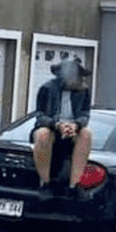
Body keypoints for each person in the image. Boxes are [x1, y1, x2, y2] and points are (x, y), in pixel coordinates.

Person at [30, 57, 93, 191]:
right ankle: (45, 183)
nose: (82, 81)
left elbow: (85, 114)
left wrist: (76, 125)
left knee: (86, 134)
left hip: (73, 128)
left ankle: (74, 186)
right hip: (52, 128)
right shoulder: (47, 89)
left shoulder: (84, 91)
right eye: (79, 77)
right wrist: (57, 125)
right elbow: (40, 116)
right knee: (42, 135)